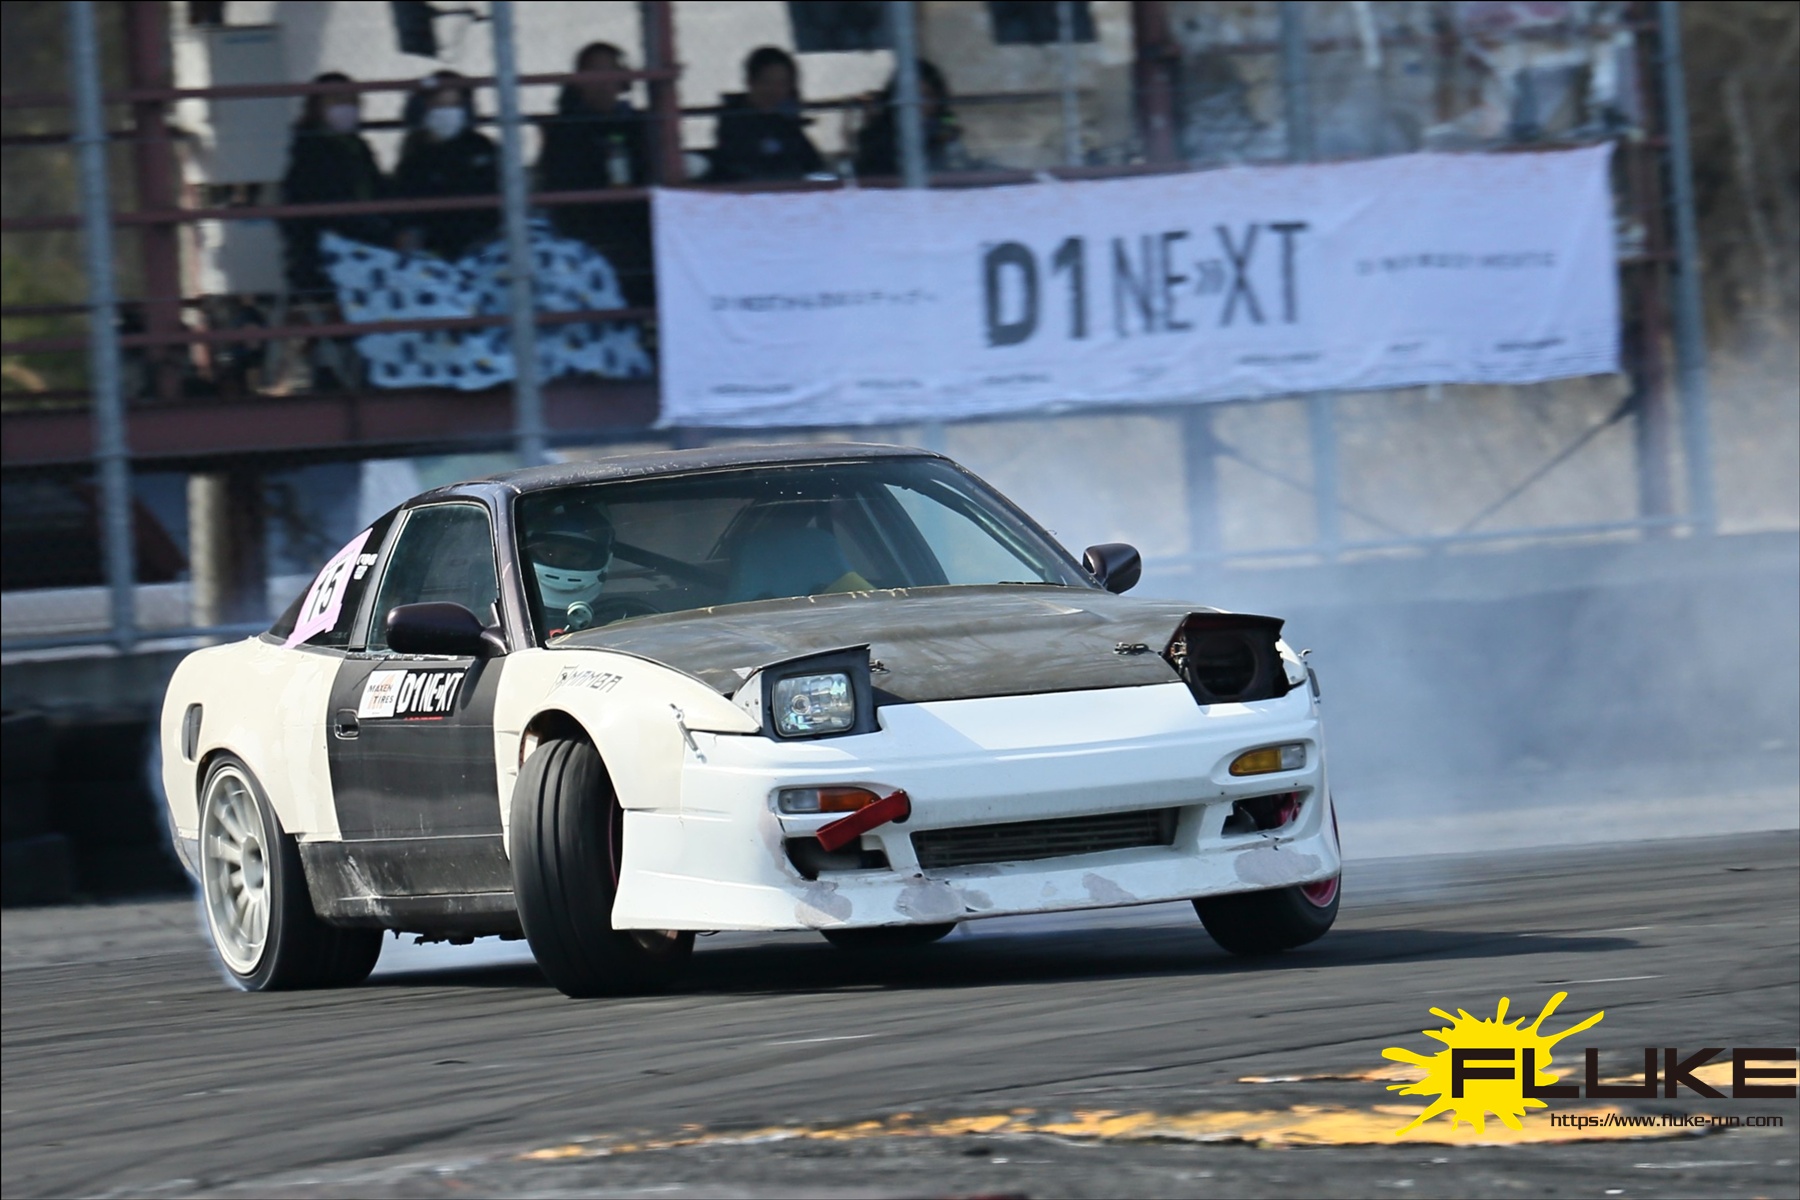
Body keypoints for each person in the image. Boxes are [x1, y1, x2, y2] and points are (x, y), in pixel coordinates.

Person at [536, 42, 654, 307]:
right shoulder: (563, 131)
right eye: (595, 73)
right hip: (586, 239)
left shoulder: (638, 125)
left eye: (611, 72)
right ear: (579, 81)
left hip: (637, 232)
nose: (603, 83)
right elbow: (560, 192)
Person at [279, 72, 389, 296]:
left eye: (351, 100)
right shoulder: (310, 154)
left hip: (365, 251)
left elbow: (376, 191)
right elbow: (325, 210)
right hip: (333, 258)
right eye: (337, 100)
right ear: (317, 107)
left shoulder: (358, 148)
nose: (346, 107)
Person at [392, 71, 499, 259]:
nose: (447, 112)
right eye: (439, 105)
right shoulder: (415, 155)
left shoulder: (481, 146)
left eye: (455, 105)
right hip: (433, 249)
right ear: (423, 108)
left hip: (484, 244)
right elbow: (406, 211)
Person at [708, 46, 824, 183]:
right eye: (766, 82)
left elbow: (814, 167)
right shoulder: (733, 122)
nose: (774, 90)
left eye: (782, 83)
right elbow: (739, 170)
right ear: (750, 82)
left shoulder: (787, 124)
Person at [523, 495, 617, 636]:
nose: (557, 562)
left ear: (599, 557)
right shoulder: (503, 613)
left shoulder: (621, 618)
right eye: (547, 551)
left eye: (575, 554)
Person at [854, 59, 964, 178]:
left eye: (927, 96)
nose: (918, 105)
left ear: (938, 99)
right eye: (912, 97)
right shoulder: (879, 138)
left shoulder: (945, 132)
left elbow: (959, 170)